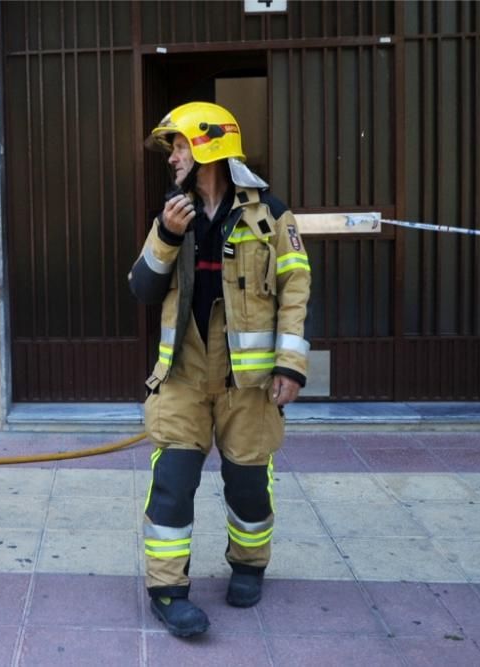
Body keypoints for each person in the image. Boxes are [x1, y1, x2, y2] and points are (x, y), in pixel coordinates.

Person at [129, 102, 310, 637]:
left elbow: (296, 291)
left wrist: (291, 365)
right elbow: (141, 287)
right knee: (172, 483)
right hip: (183, 375)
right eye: (173, 149)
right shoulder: (172, 213)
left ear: (210, 146)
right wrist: (165, 234)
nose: (174, 158)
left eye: (181, 146)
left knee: (249, 487)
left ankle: (249, 566)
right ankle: (167, 590)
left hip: (248, 386)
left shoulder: (272, 216)